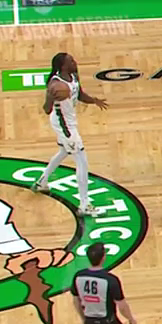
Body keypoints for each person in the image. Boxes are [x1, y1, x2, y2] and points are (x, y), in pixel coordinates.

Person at [31, 53, 109, 218]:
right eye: (71, 61)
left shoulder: (74, 76)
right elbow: (46, 109)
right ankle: (84, 205)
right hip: (64, 125)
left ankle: (42, 182)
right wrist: (50, 98)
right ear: (63, 66)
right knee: (82, 161)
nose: (75, 62)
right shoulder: (55, 84)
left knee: (63, 152)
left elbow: (80, 95)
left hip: (69, 122)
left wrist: (94, 100)